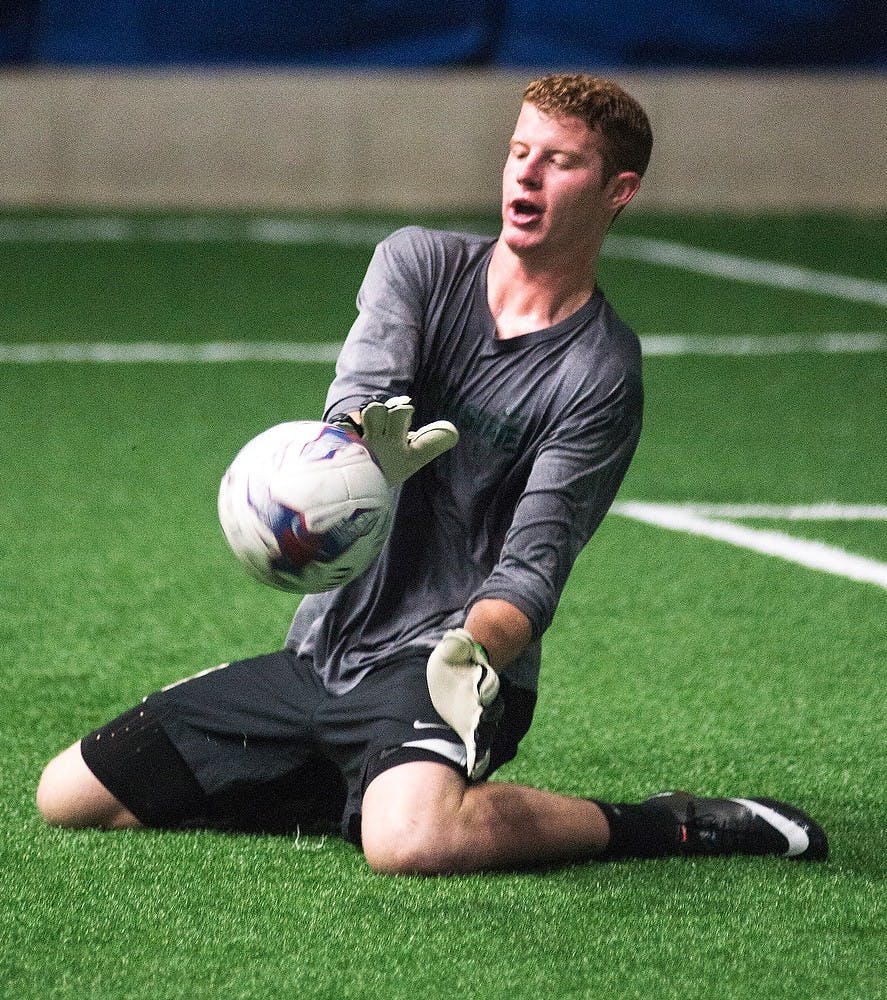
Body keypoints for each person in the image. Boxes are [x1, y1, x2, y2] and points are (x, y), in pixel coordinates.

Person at [36, 73, 827, 873]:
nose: (525, 173)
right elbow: (362, 384)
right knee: (69, 796)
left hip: (448, 665)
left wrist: (466, 656)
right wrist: (352, 446)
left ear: (617, 190)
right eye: (519, 151)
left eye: (558, 161)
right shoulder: (417, 263)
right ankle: (351, 782)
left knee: (410, 842)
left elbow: (532, 571)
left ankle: (664, 824)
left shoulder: (598, 372)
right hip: (323, 653)